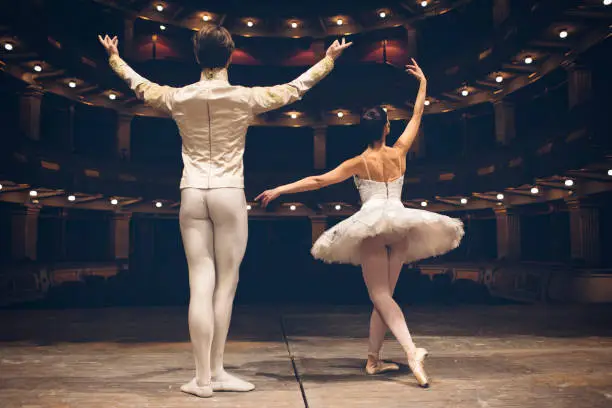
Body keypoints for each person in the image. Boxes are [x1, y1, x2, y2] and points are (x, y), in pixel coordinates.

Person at [98, 27, 352, 398]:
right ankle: (214, 371)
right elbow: (295, 88)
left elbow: (139, 85)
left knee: (199, 282)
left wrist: (115, 59)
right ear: (230, 56)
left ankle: (204, 379)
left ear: (197, 57)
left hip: (192, 192)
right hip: (228, 192)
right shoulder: (244, 98)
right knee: (225, 284)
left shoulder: (178, 97)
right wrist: (328, 60)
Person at [256, 59, 464, 388]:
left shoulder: (357, 162)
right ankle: (373, 360)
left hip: (372, 224)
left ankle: (411, 351)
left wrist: (280, 188)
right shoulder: (400, 152)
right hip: (401, 225)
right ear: (386, 128)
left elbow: (317, 180)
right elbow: (418, 115)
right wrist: (423, 82)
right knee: (386, 296)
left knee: (380, 296)